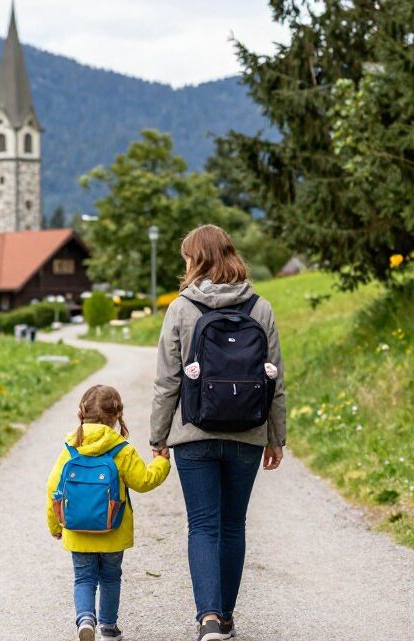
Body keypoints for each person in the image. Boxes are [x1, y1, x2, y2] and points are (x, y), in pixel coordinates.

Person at [150, 224, 287, 641]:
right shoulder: (260, 307)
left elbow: (167, 381)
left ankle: (208, 618)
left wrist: (158, 438)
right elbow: (275, 379)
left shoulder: (181, 308)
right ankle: (226, 616)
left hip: (193, 434)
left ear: (197, 259)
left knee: (203, 525)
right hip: (247, 432)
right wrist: (275, 437)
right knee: (233, 526)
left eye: (187, 256)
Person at [46, 385, 171, 641]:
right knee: (111, 578)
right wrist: (162, 462)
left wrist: (55, 526)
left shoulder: (71, 447)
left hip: (77, 530)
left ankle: (85, 619)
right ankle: (109, 628)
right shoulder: (120, 448)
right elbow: (144, 481)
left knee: (83, 579)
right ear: (116, 416)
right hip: (113, 530)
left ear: (82, 412)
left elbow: (53, 489)